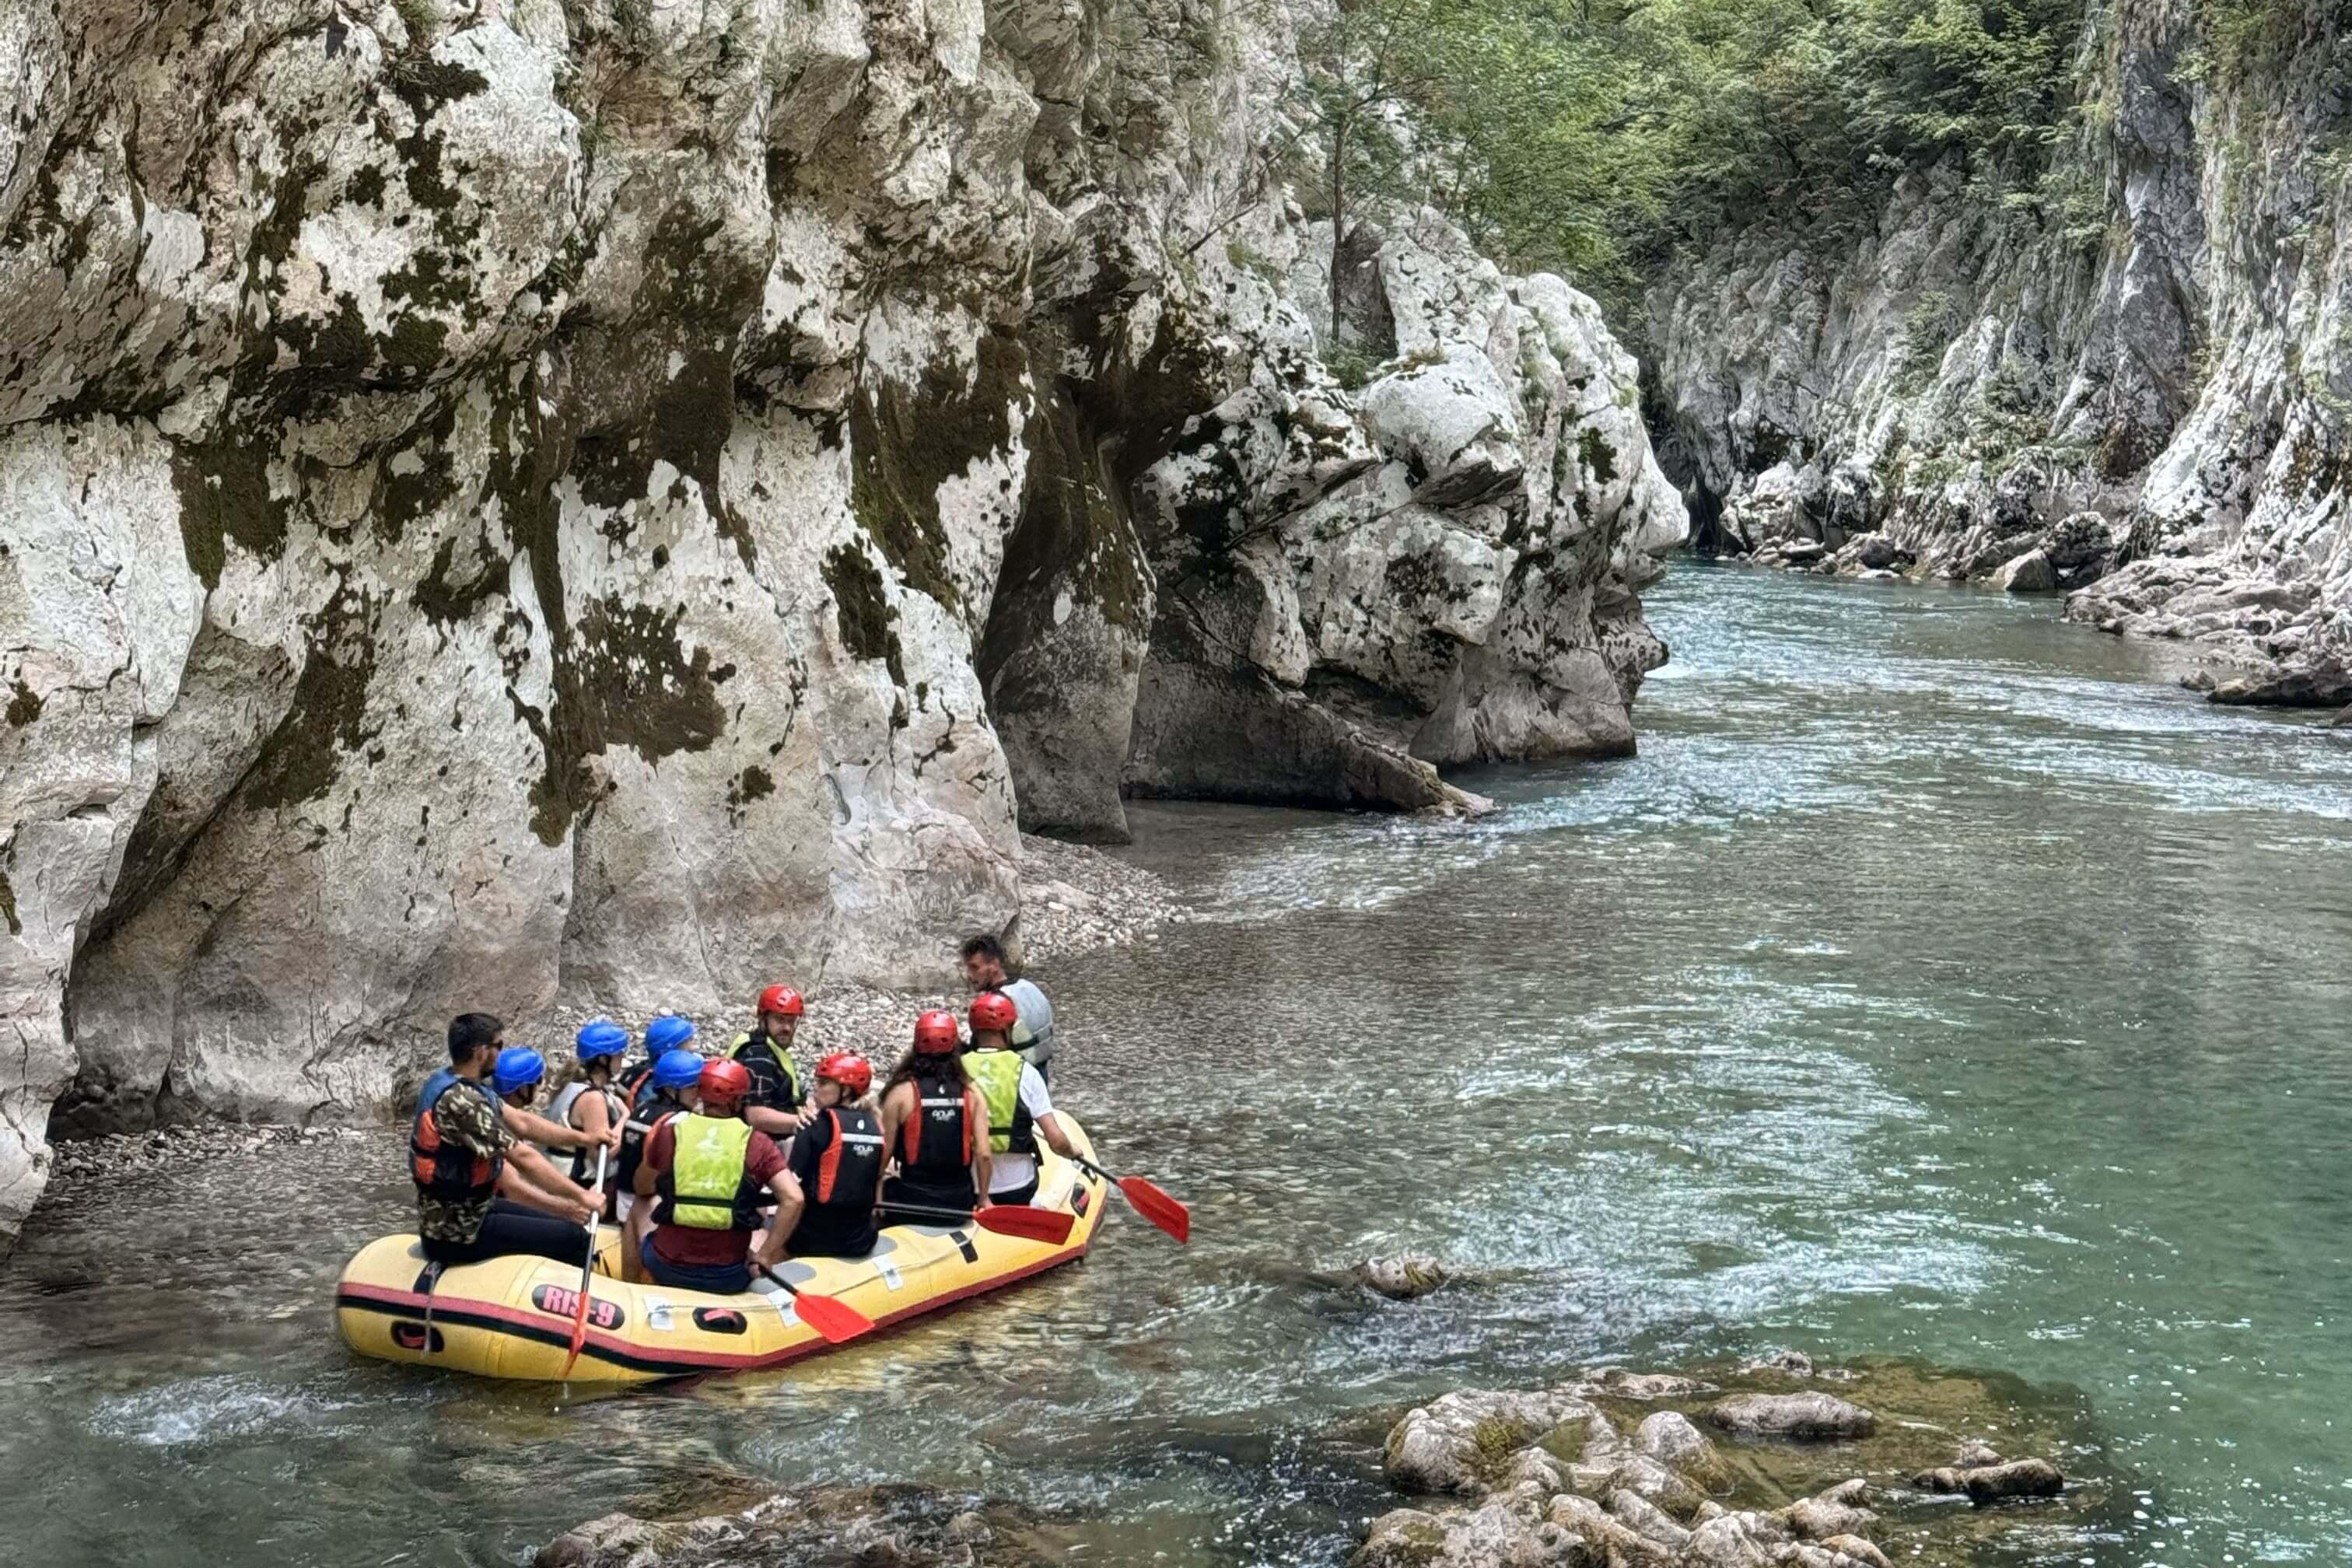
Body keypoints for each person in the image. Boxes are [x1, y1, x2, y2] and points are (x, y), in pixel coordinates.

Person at [411, 1013, 598, 1267]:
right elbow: (523, 1157)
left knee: (564, 1224)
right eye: (498, 1046)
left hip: (474, 1210)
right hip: (458, 1232)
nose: (501, 1053)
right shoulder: (463, 1102)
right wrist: (581, 1196)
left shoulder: (455, 1083)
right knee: (575, 1238)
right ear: (480, 1052)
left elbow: (523, 1123)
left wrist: (586, 1138)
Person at [631, 1058, 796, 1296]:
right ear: (739, 1100)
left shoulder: (670, 1133)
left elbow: (641, 1186)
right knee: (765, 1233)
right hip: (728, 1274)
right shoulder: (757, 1143)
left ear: (699, 1094)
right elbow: (793, 1199)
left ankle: (631, 1286)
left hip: (666, 1266)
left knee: (640, 1204)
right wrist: (765, 1255)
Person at [964, 991, 1079, 1206]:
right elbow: (1056, 1141)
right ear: (1008, 1030)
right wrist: (1073, 1151)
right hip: (1017, 1189)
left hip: (968, 1187)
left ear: (973, 1029)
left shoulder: (956, 1069)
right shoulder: (1025, 1071)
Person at [878, 1009, 990, 1216]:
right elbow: (983, 1154)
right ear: (955, 1046)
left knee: (890, 1182)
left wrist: (875, 1194)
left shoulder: (900, 1094)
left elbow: (883, 1154)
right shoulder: (972, 1094)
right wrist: (983, 1198)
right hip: (959, 1203)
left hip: (911, 1202)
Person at [772, 1052, 883, 1258]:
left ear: (846, 1090)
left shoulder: (812, 1125)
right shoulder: (876, 1125)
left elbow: (791, 1191)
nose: (816, 1087)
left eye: (824, 1083)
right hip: (859, 1240)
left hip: (811, 1240)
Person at [616, 1042, 705, 1275]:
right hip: (651, 1206)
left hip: (624, 1202)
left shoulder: (642, 1109)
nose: (698, 1092)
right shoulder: (679, 1121)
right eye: (693, 1086)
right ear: (673, 1089)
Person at [615, 1014, 700, 1220]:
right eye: (687, 1043)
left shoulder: (641, 1099)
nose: (693, 1047)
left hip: (624, 1191)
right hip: (646, 1201)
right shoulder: (674, 1118)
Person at [548, 1020, 629, 1205]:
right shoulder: (592, 1098)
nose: (622, 1059)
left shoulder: (571, 1086)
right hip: (579, 1186)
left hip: (562, 1181)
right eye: (619, 1055)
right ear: (603, 1059)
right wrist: (626, 1118)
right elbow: (602, 1155)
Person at [960, 933, 1056, 1082]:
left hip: (1014, 1083)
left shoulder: (993, 1007)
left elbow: (983, 1056)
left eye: (974, 967)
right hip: (1039, 1077)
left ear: (994, 965)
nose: (969, 975)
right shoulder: (1029, 988)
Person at [727, 985, 808, 1143]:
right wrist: (805, 1122)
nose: (787, 1028)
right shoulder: (758, 1057)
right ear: (763, 1019)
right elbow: (755, 1116)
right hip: (757, 1147)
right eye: (780, 1019)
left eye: (791, 1021)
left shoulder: (766, 1049)